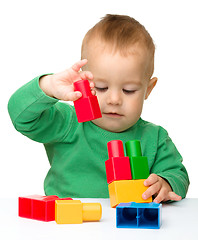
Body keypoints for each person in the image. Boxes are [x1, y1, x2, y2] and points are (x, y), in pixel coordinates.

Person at [8, 14, 189, 203]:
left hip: (130, 227)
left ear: (148, 89)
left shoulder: (155, 138)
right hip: (67, 227)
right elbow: (20, 116)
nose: (114, 99)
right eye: (101, 87)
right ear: (83, 81)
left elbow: (178, 175)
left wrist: (165, 183)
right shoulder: (68, 122)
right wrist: (49, 86)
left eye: (128, 90)